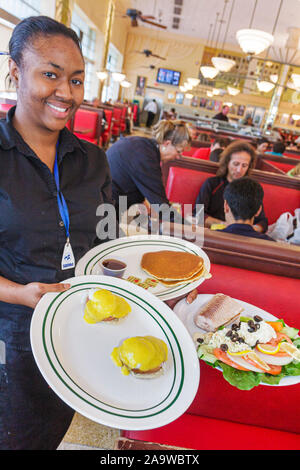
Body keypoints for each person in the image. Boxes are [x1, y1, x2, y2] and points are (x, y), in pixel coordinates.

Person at [0, 16, 118, 450]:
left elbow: (108, 244)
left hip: (73, 333)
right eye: (49, 74)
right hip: (9, 336)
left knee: (47, 433)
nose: (66, 93)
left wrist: (162, 290)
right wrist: (19, 293)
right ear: (14, 71)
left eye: (76, 79)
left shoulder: (93, 160)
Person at [106, 120, 191, 221]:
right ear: (167, 143)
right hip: (103, 205)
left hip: (104, 195)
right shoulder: (147, 159)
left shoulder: (143, 144)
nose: (178, 157)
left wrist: (142, 200)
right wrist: (190, 229)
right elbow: (162, 208)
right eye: (178, 152)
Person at [193, 140, 268, 233]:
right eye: (236, 164)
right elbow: (198, 214)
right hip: (214, 233)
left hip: (243, 237)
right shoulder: (212, 184)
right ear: (227, 162)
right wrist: (225, 225)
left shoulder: (250, 189)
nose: (239, 170)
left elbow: (263, 223)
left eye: (244, 165)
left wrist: (247, 230)